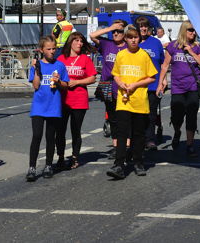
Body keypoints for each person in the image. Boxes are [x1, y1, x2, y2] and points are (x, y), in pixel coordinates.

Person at [106, 27, 157, 179]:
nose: (133, 40)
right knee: (122, 132)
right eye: (130, 37)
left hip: (139, 100)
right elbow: (115, 74)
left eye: (136, 37)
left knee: (138, 134)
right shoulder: (121, 55)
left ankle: (138, 162)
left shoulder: (143, 55)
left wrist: (136, 85)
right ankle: (119, 165)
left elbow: (152, 77)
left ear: (139, 39)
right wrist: (120, 83)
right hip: (123, 100)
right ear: (126, 39)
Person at [157, 21, 200, 157]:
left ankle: (189, 145)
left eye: (194, 30)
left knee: (192, 116)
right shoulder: (173, 46)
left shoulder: (197, 47)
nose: (193, 33)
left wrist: (191, 52)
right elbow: (165, 65)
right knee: (177, 115)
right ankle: (177, 131)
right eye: (190, 30)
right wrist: (160, 82)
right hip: (177, 87)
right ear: (184, 31)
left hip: (193, 87)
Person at [26, 36, 69, 182]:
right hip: (39, 106)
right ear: (42, 50)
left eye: (54, 49)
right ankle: (32, 167)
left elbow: (66, 85)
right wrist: (37, 69)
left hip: (53, 106)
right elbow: (36, 86)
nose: (52, 51)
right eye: (48, 49)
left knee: (50, 137)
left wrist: (58, 82)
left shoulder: (60, 65)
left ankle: (48, 165)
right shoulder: (37, 65)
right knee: (37, 136)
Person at [56, 31, 97, 170]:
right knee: (60, 131)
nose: (79, 43)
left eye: (81, 41)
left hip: (79, 99)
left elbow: (92, 77)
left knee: (75, 130)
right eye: (77, 41)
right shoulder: (61, 58)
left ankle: (75, 157)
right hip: (62, 100)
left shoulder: (85, 59)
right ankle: (60, 158)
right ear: (70, 42)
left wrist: (78, 82)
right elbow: (55, 75)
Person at [90, 19, 129, 158]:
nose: (116, 34)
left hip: (123, 87)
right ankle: (116, 145)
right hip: (107, 85)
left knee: (124, 117)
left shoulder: (128, 46)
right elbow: (92, 35)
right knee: (112, 117)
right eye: (114, 31)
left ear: (125, 33)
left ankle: (127, 145)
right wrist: (110, 27)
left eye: (119, 31)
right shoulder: (107, 44)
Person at [135, 16, 165, 150]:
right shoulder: (134, 42)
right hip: (137, 84)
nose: (143, 28)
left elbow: (162, 62)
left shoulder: (156, 43)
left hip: (153, 84)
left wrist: (163, 80)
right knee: (137, 114)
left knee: (151, 114)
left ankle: (150, 139)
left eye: (145, 26)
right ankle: (138, 138)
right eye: (141, 26)